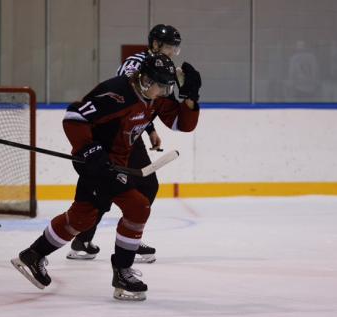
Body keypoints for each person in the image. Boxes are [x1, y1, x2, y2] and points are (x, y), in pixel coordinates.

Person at [11, 53, 202, 301]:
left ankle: (33, 255)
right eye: (161, 86)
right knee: (138, 207)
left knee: (82, 217)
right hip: (98, 165)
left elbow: (182, 124)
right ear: (145, 79)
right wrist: (90, 149)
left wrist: (191, 97)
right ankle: (122, 274)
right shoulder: (117, 93)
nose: (164, 92)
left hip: (116, 165)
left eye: (168, 87)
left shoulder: (155, 98)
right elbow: (74, 116)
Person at [67, 24, 183, 263]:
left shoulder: (160, 66)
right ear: (156, 44)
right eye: (170, 46)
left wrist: (149, 129)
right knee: (113, 186)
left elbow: (146, 105)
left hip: (132, 132)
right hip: (116, 134)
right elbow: (126, 100)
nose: (173, 52)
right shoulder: (137, 62)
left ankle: (105, 238)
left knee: (138, 186)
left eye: (175, 48)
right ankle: (96, 240)